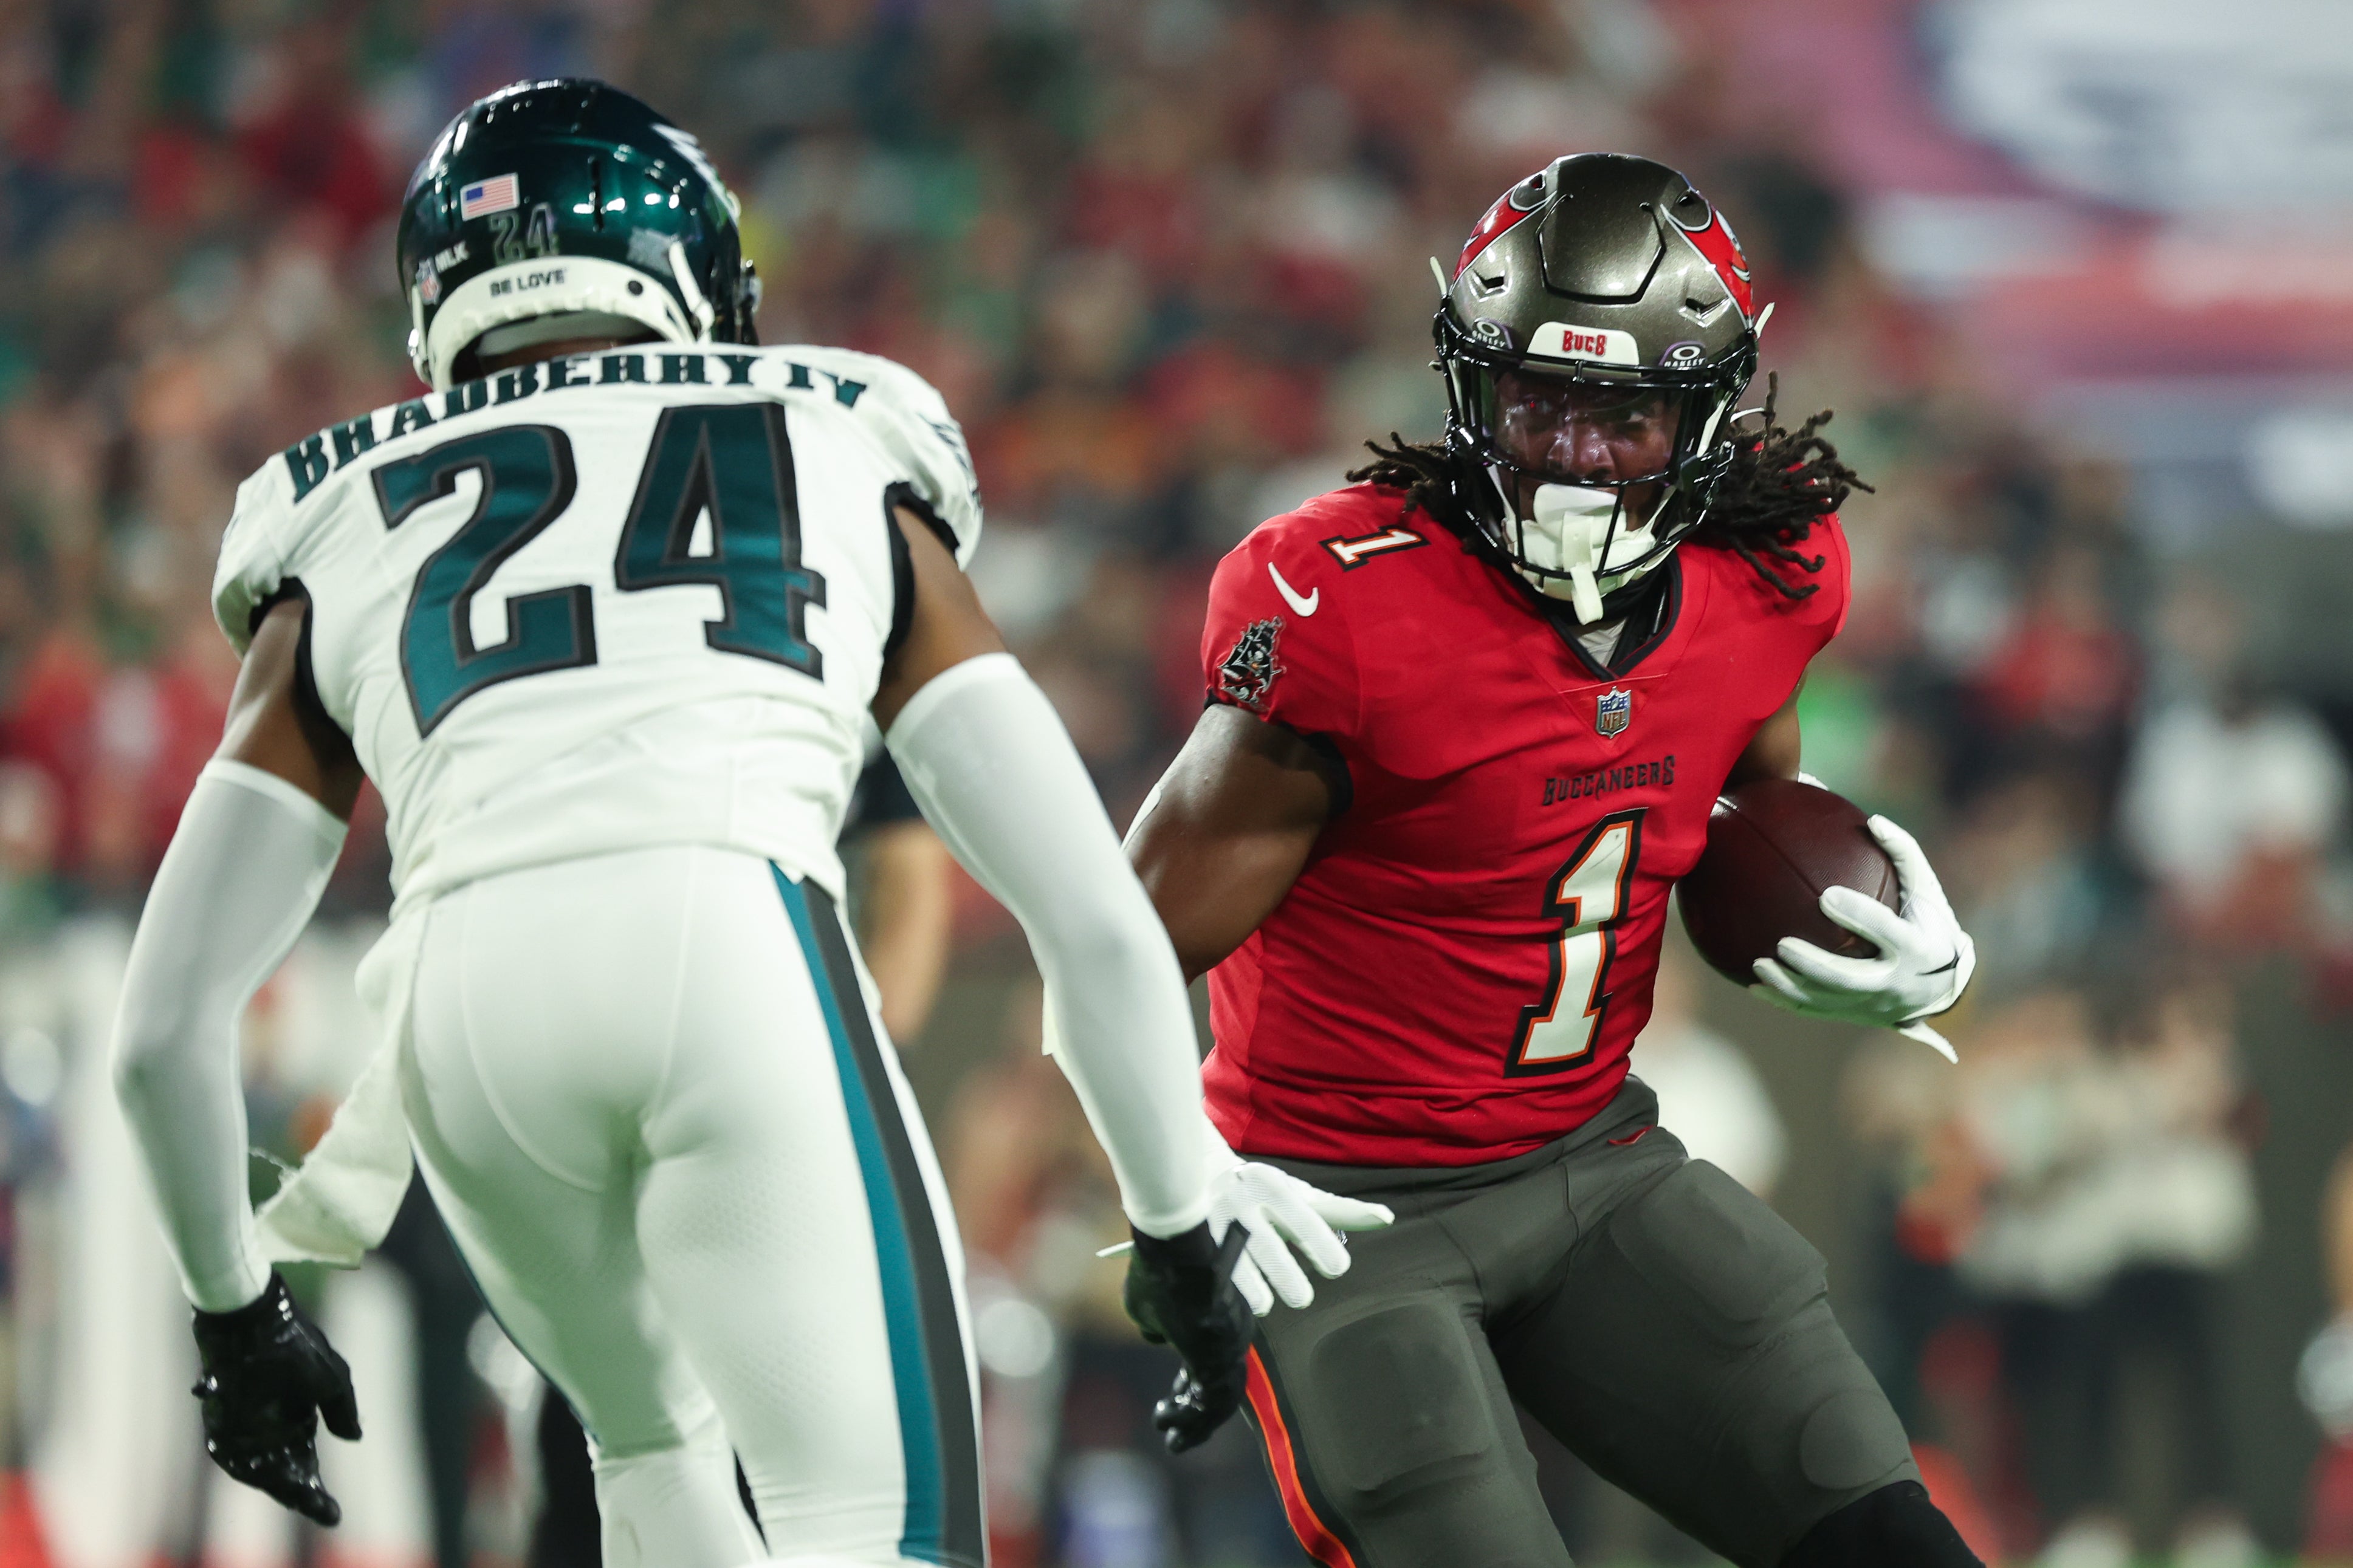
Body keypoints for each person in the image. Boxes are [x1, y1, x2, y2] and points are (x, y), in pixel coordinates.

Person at [106, 79, 1387, 1568]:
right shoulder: (837, 431)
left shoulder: (331, 517)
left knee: (650, 1471)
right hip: (729, 949)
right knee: (884, 1537)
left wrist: (233, 1309)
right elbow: (1089, 914)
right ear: (694, 272)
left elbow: (159, 1029)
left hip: (462, 1024)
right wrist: (1178, 1215)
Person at [1126, 154, 1979, 1568]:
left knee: (1884, 1537)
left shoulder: (1769, 570)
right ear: (1469, 385)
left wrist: (1897, 922)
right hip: (1341, 1208)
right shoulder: (1344, 600)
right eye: (1540, 399)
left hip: (1593, 1167)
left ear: (1704, 416)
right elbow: (1120, 940)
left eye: (1626, 414)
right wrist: (1174, 1188)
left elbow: (1737, 799)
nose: (1576, 454)